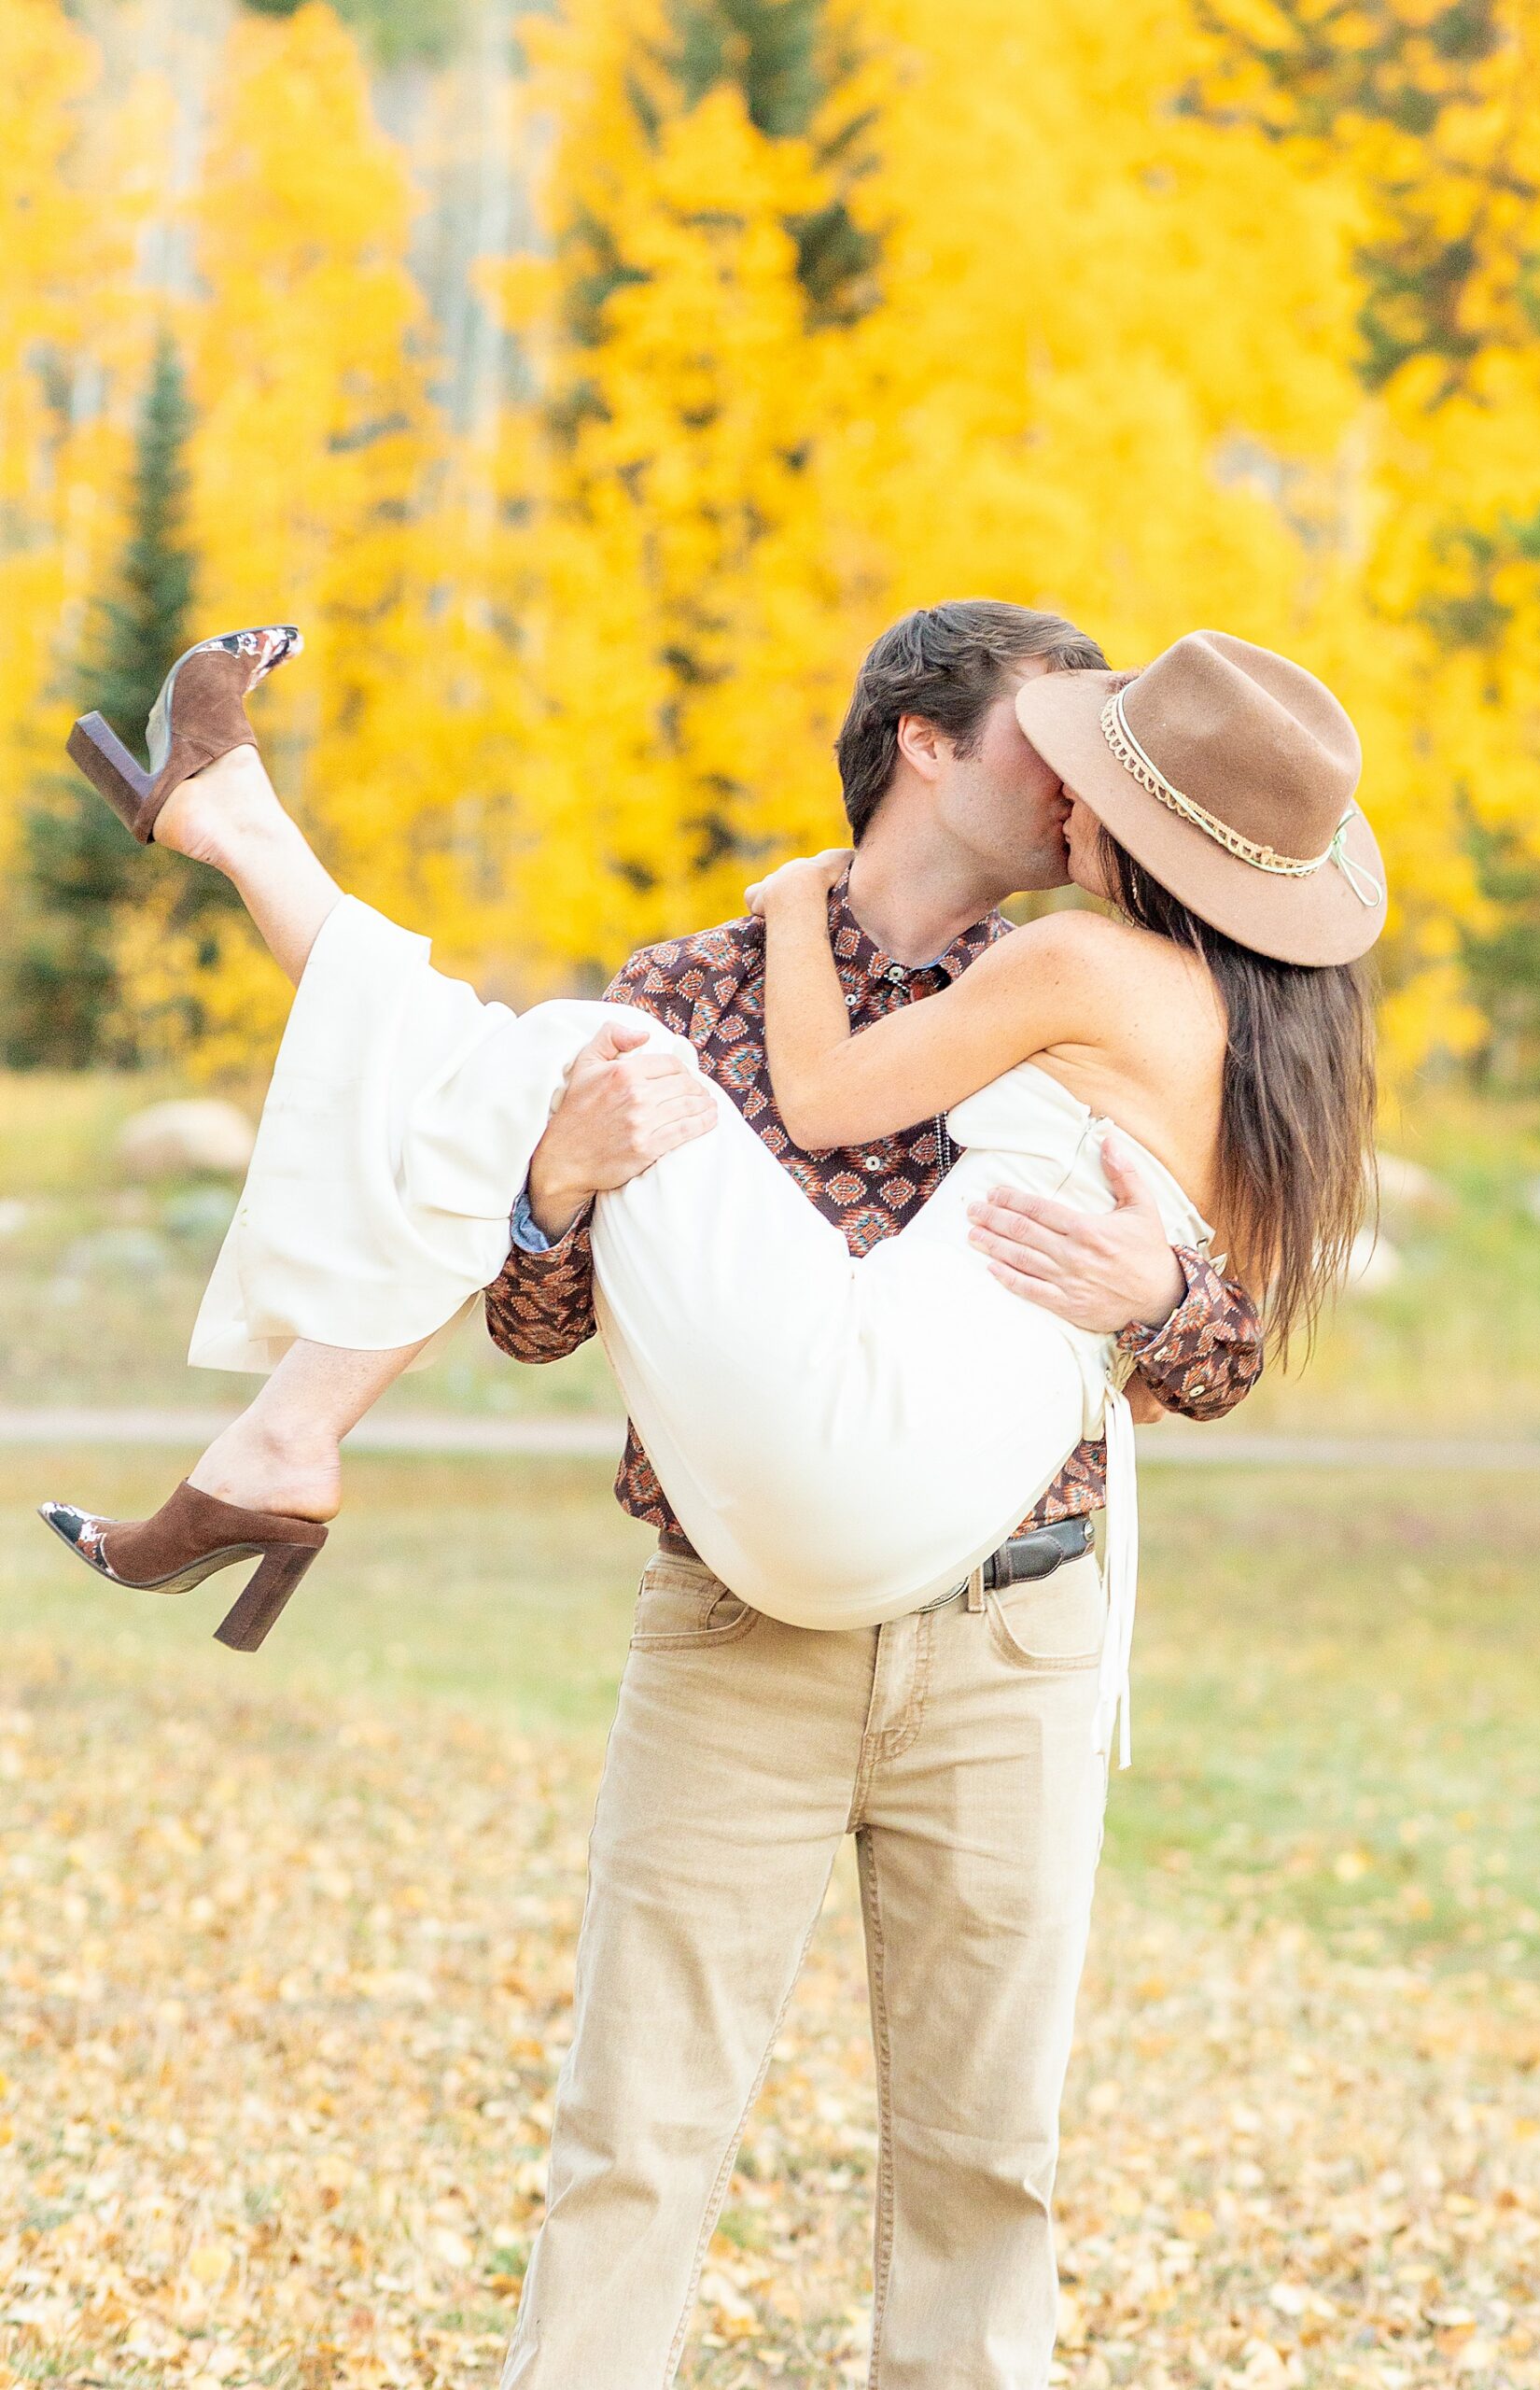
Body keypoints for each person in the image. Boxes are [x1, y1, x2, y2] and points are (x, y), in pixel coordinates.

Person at [41, 601, 1380, 2383]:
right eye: (1054, 745)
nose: (1072, 792)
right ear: (925, 740)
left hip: (1004, 1616)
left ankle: (284, 1391)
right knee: (637, 2138)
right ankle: (281, 1354)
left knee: (992, 2164)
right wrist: (556, 1202)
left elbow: (1206, 1362)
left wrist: (1157, 1296)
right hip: (746, 1608)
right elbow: (534, 1321)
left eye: (1101, 770)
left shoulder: (1049, 974)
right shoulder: (719, 985)